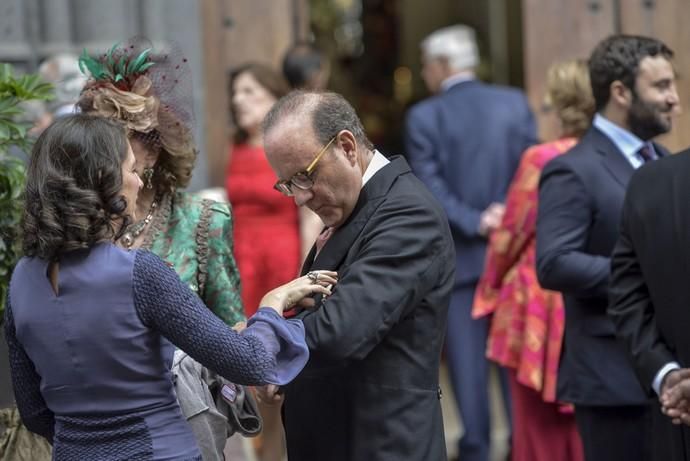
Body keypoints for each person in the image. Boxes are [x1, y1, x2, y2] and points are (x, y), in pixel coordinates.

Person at [4, 113, 338, 461]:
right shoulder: (137, 273)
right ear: (105, 183)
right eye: (132, 170)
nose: (138, 181)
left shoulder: (20, 283)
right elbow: (249, 362)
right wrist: (273, 302)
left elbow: (34, 413)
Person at [258, 90, 455, 461]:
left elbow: (341, 331)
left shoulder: (409, 213)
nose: (300, 197)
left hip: (382, 444)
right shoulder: (357, 206)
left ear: (347, 147)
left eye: (305, 175)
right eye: (288, 184)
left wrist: (263, 337)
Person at [76, 38, 246, 459]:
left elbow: (234, 332)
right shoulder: (75, 228)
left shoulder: (203, 222)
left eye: (119, 139)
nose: (103, 154)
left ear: (151, 150)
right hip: (102, 433)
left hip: (189, 431)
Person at [536, 35, 678, 461]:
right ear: (620, 93)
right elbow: (555, 262)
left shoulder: (662, 157)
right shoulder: (572, 169)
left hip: (668, 376)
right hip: (612, 381)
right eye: (661, 87)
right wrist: (644, 274)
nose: (674, 99)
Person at [404, 24, 537, 461]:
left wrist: (476, 220)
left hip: (460, 263)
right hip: (515, 260)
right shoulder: (515, 103)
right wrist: (508, 216)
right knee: (517, 366)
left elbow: (429, 188)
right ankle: (523, 449)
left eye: (426, 66)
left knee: (466, 371)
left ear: (441, 66)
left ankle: (477, 450)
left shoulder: (425, 116)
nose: (425, 74)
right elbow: (532, 174)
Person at [473, 59, 594, 461]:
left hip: (537, 303)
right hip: (593, 296)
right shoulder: (615, 155)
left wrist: (489, 288)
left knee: (536, 427)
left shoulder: (542, 159)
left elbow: (512, 233)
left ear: (559, 105)